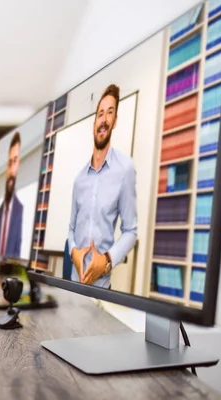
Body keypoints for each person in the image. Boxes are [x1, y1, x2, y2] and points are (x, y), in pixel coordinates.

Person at [67, 84, 138, 288]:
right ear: (94, 121)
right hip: (74, 285)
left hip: (102, 288)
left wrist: (106, 261)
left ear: (114, 121)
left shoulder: (124, 170)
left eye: (110, 113)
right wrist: (74, 252)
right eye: (100, 114)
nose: (104, 119)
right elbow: (71, 229)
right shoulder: (79, 179)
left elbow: (130, 231)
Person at [0, 131, 24, 259]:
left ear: (18, 164)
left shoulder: (21, 210)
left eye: (15, 161)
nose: (11, 169)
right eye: (9, 163)